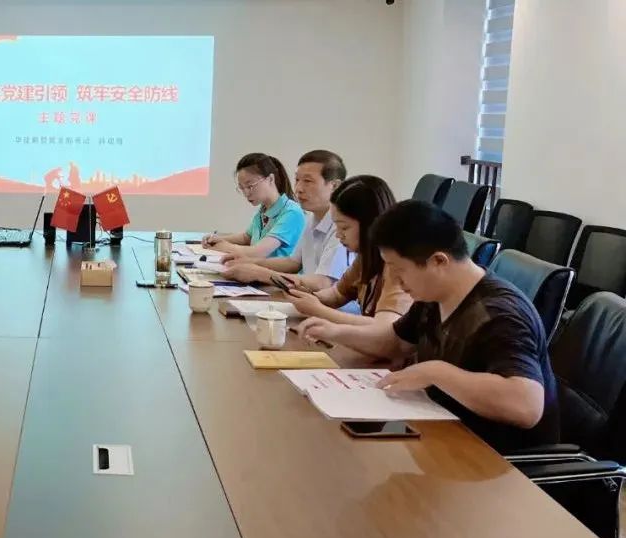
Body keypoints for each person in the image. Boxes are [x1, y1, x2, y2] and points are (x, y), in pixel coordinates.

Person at [298, 200, 560, 453]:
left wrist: (437, 373)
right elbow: (396, 342)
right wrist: (336, 332)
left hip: (495, 458)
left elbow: (526, 406)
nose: (396, 281)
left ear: (439, 261)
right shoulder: (434, 295)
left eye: (399, 270)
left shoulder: (500, 315)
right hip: (442, 431)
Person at [286, 175, 412, 327]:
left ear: (370, 224)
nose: (338, 235)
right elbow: (337, 294)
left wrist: (318, 309)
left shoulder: (396, 265)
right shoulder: (366, 257)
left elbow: (384, 326)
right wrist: (308, 297)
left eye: (344, 227)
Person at [222, 150, 352, 291]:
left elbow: (323, 283)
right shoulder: (312, 219)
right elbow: (293, 263)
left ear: (335, 186)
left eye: (307, 181)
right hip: (307, 297)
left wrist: (259, 273)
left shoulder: (342, 227)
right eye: (297, 180)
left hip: (322, 302)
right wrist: (250, 262)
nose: (298, 188)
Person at [201, 153, 304, 259]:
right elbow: (247, 237)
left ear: (270, 179)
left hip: (274, 270)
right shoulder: (263, 210)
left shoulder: (291, 212)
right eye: (242, 188)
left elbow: (258, 252)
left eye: (250, 186)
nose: (246, 193)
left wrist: (225, 246)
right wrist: (218, 239)